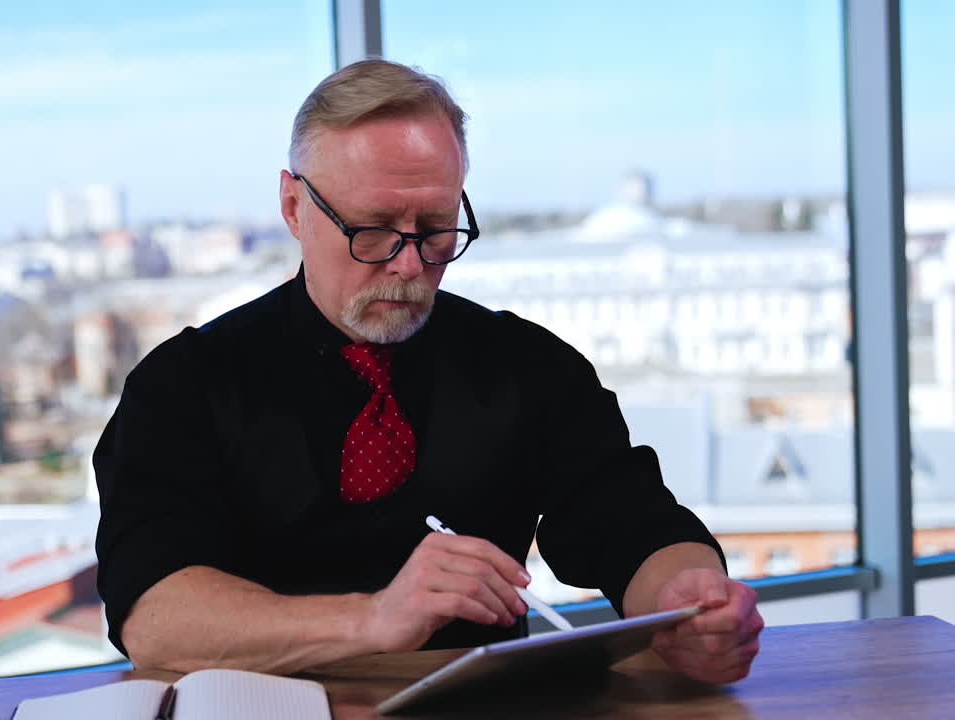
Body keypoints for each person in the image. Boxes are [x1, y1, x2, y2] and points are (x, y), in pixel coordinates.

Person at [93, 59, 762, 684]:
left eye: (438, 228)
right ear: (295, 209)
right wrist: (374, 618)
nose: (411, 265)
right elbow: (154, 616)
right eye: (374, 229)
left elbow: (633, 527)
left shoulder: (529, 368)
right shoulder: (183, 385)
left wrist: (689, 600)